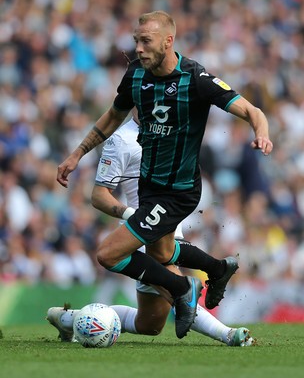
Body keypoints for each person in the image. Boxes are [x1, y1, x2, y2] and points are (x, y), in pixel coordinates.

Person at [57, 11, 273, 339]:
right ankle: (217, 269)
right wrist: (76, 154)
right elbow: (113, 116)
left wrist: (262, 133)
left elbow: (251, 110)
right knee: (159, 260)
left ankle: (184, 287)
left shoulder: (195, 78)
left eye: (146, 41)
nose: (139, 49)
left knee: (108, 254)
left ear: (168, 41)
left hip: (178, 191)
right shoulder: (136, 76)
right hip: (149, 188)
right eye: (136, 41)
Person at [47, 115, 253, 346]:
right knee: (178, 291)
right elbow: (99, 195)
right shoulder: (122, 140)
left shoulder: (170, 127)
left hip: (171, 221)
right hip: (141, 230)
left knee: (149, 324)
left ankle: (68, 318)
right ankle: (228, 335)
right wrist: (132, 215)